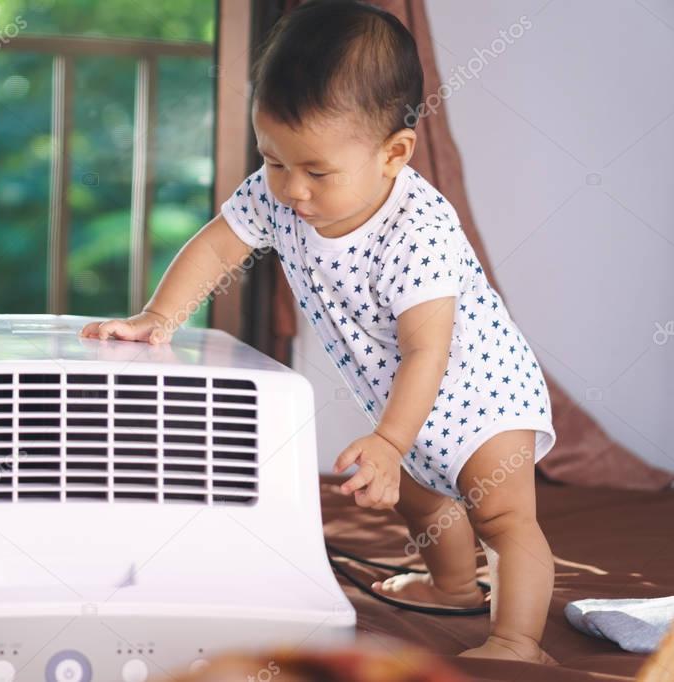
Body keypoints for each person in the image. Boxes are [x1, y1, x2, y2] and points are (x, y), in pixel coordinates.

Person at [80, 0, 557, 664]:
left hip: (480, 395)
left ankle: (516, 640)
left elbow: (429, 347)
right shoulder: (276, 192)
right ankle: (451, 586)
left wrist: (390, 439)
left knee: (503, 521)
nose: (291, 190)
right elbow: (217, 247)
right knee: (420, 506)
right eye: (274, 160)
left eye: (316, 172)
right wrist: (161, 316)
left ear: (393, 154)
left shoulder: (415, 230)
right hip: (400, 400)